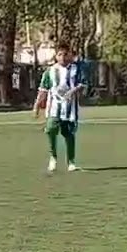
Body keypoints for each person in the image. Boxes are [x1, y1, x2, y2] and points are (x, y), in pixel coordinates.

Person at [33, 43, 86, 173]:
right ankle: (53, 157)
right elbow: (43, 90)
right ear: (56, 56)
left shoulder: (76, 69)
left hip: (70, 110)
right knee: (50, 129)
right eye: (60, 54)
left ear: (70, 55)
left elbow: (82, 84)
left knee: (69, 134)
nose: (62, 57)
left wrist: (72, 91)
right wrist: (36, 106)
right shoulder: (50, 71)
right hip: (54, 108)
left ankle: (71, 162)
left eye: (65, 54)